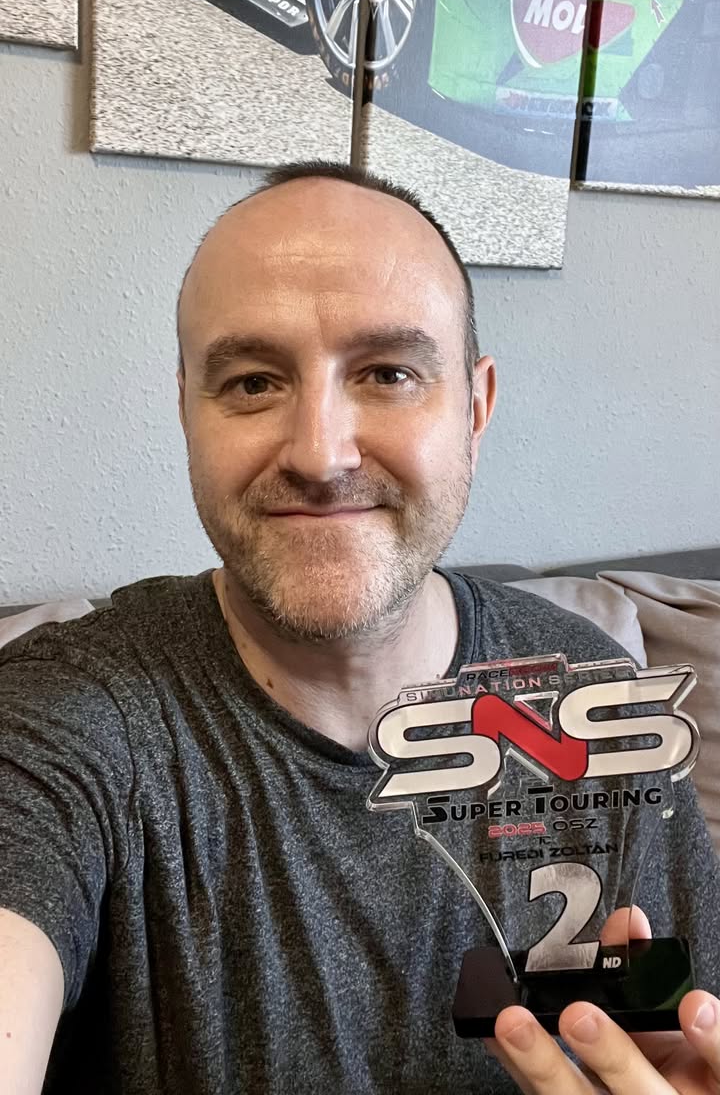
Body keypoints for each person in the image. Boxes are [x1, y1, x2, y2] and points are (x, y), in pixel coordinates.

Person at [0, 160, 718, 1095]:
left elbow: (684, 1028)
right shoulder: (68, 714)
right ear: (186, 412)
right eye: (253, 382)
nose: (320, 454)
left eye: (388, 373)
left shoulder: (598, 697)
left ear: (475, 407)